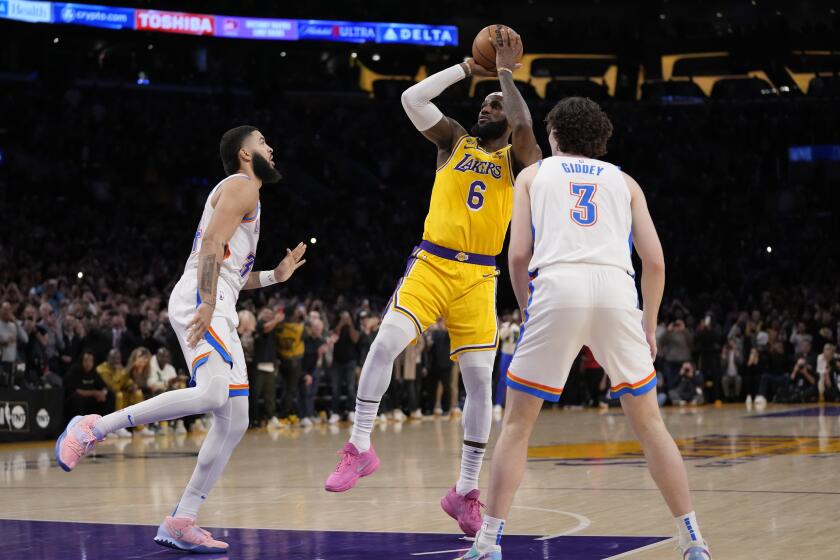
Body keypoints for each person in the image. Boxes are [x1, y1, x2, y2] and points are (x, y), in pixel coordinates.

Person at [460, 97, 711, 559]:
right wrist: (649, 326)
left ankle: (489, 541)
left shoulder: (533, 175)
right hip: (617, 290)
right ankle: (693, 538)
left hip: (558, 286)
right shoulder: (626, 181)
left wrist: (528, 307)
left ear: (553, 137)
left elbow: (517, 256)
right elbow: (654, 261)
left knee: (517, 425)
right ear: (600, 142)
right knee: (651, 425)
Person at [324, 28, 542, 538]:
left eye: (495, 105)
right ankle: (359, 447)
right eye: (484, 104)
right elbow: (410, 97)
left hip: (479, 277)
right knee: (383, 346)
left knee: (480, 386)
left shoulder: (516, 162)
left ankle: (465, 491)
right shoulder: (452, 142)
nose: (486, 109)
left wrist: (507, 77)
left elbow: (528, 130)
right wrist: (472, 68)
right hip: (432, 264)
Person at [55, 125, 307, 554]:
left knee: (236, 419)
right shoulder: (244, 185)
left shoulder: (248, 197)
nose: (271, 147)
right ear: (245, 154)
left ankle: (181, 519)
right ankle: (94, 426)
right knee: (211, 395)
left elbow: (234, 275)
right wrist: (207, 300)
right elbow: (210, 244)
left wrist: (275, 277)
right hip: (202, 296)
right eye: (263, 142)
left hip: (218, 300)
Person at [251, 307, 283, 427]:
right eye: (265, 312)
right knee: (255, 394)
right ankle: (254, 419)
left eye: (270, 313)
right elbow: (264, 329)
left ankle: (271, 417)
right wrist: (276, 320)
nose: (268, 314)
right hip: (258, 366)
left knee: (270, 395)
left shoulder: (275, 328)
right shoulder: (258, 325)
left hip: (270, 365)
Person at [328, 310, 360, 423]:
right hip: (336, 361)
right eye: (343, 316)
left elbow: (355, 339)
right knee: (335, 389)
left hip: (350, 361)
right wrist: (341, 324)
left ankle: (351, 411)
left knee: (351, 388)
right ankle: (335, 412)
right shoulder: (335, 324)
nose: (345, 318)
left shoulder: (354, 324)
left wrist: (350, 324)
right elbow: (333, 336)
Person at [64, 351, 112, 420]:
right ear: (81, 361)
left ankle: (106, 421)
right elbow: (76, 391)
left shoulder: (94, 372)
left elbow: (104, 386)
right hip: (77, 400)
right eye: (86, 361)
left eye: (90, 361)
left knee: (110, 395)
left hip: (91, 399)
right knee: (77, 398)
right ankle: (79, 423)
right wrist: (94, 393)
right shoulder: (74, 371)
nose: (88, 364)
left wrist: (103, 393)